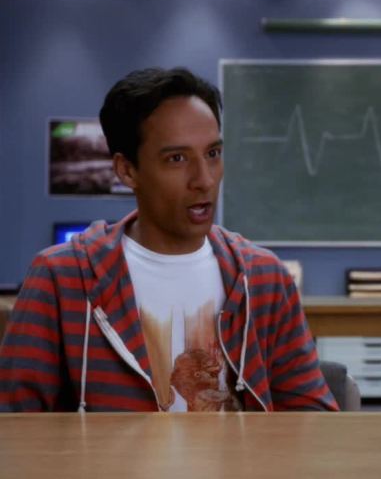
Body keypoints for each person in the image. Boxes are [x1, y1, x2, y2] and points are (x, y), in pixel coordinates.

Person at [0, 67, 338, 412]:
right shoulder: (62, 279)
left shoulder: (263, 278)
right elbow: (12, 426)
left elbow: (311, 418)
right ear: (127, 170)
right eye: (177, 159)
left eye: (213, 154)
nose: (204, 180)